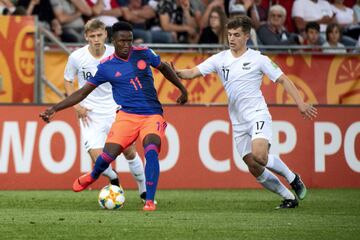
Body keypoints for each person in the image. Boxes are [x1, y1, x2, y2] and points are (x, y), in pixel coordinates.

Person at [40, 21, 188, 211]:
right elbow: (82, 92)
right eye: (122, 41)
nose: (126, 45)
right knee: (107, 155)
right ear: (113, 41)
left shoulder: (144, 53)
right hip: (126, 116)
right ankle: (93, 175)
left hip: (152, 115)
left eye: (129, 40)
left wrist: (182, 89)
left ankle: (149, 200)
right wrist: (55, 108)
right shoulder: (106, 67)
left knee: (151, 150)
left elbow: (165, 68)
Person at [171, 16, 317, 209]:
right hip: (238, 121)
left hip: (257, 114)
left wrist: (300, 104)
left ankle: (292, 177)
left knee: (260, 156)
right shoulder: (220, 59)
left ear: (247, 36)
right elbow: (191, 72)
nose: (232, 39)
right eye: (230, 34)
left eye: (236, 35)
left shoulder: (258, 59)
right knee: (253, 166)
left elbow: (283, 80)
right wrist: (174, 71)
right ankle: (288, 197)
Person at [63, 19, 147, 201]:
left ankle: (144, 191)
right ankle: (114, 178)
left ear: (106, 35)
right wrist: (76, 105)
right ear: (86, 37)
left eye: (99, 35)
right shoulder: (77, 57)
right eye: (92, 36)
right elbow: (68, 80)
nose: (96, 39)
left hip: (116, 109)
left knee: (129, 151)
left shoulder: (116, 53)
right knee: (98, 158)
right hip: (90, 114)